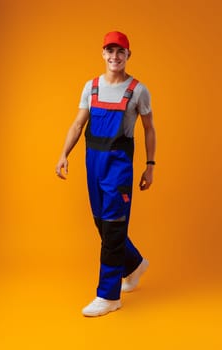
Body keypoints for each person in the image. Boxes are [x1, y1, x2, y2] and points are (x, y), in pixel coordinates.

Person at [56, 31, 156, 317]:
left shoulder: (138, 90)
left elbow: (149, 128)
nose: (115, 56)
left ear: (128, 55)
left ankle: (109, 296)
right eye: (110, 51)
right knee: (102, 223)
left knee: (112, 227)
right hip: (93, 164)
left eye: (120, 51)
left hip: (119, 167)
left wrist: (150, 165)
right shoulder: (91, 87)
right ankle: (135, 264)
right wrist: (64, 154)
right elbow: (77, 124)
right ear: (103, 53)